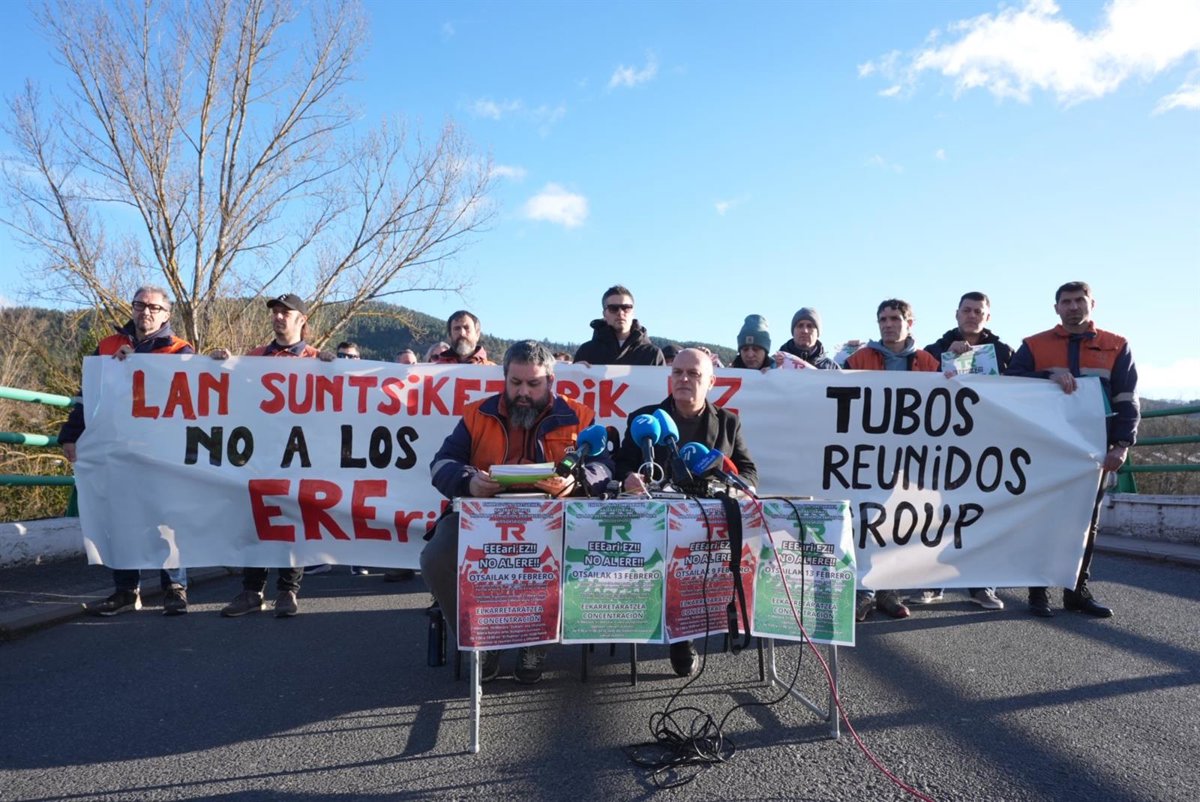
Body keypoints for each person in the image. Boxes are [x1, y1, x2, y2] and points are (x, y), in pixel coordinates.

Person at [421, 340, 613, 684]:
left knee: (578, 553)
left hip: (555, 518)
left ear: (550, 381)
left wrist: (576, 482)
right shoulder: (477, 414)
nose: (523, 392)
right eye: (515, 383)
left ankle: (537, 641)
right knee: (436, 556)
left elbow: (604, 467)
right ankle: (481, 639)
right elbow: (441, 464)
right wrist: (468, 482)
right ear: (504, 378)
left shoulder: (580, 416)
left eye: (533, 384)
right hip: (483, 516)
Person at [615, 347, 758, 677]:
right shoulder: (644, 419)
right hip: (653, 524)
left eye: (693, 374)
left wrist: (727, 486)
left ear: (711, 381)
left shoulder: (728, 423)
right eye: (678, 372)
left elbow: (749, 472)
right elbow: (620, 464)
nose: (683, 379)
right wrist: (628, 478)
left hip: (704, 526)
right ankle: (670, 629)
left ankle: (684, 636)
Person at [1007, 281, 1138, 619]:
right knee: (1042, 518)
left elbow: (1127, 399)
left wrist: (1122, 445)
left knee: (1085, 522)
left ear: (1092, 304)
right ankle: (1038, 593)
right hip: (1045, 447)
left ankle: (1077, 591)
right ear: (1057, 308)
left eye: (1080, 300)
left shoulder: (1116, 345)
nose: (1073, 306)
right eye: (1066, 301)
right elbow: (1010, 384)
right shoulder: (1034, 345)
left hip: (1093, 449)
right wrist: (1048, 376)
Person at [61, 286, 194, 616]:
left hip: (162, 451)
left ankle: (175, 587)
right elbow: (87, 394)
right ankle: (125, 591)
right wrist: (71, 434)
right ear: (132, 309)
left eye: (154, 307)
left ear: (166, 314)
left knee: (166, 519)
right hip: (117, 448)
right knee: (120, 520)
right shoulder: (108, 345)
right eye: (140, 305)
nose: (146, 311)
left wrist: (136, 363)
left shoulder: (180, 349)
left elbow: (191, 397)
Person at [213, 293, 332, 618]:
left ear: (301, 320)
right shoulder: (254, 357)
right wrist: (218, 364)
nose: (278, 317)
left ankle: (287, 590)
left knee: (292, 522)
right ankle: (252, 591)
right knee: (256, 520)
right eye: (275, 312)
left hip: (299, 455)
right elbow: (230, 391)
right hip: (259, 456)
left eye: (285, 313)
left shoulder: (316, 359)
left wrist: (335, 368)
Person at [919, 291, 1016, 610]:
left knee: (983, 514)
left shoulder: (1003, 352)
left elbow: (1024, 388)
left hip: (986, 444)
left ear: (987, 317)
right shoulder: (934, 349)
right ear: (957, 314)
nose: (972, 315)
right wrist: (946, 357)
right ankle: (932, 583)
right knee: (938, 514)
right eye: (967, 310)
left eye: (978, 311)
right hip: (944, 443)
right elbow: (917, 386)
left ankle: (982, 585)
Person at [846, 299, 939, 622]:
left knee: (896, 522)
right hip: (867, 454)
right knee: (865, 520)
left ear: (909, 323)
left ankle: (888, 590)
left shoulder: (927, 362)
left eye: (895, 318)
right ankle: (864, 590)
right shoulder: (859, 358)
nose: (888, 324)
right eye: (883, 319)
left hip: (907, 458)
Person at [573, 285, 665, 366]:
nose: (620, 313)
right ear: (604, 314)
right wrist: (574, 372)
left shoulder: (652, 354)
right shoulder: (587, 352)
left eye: (626, 308)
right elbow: (571, 379)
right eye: (613, 308)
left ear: (633, 313)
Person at [774, 308, 841, 370]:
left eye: (810, 326)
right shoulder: (773, 363)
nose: (805, 331)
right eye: (800, 325)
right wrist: (775, 368)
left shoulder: (832, 368)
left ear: (817, 333)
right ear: (793, 331)